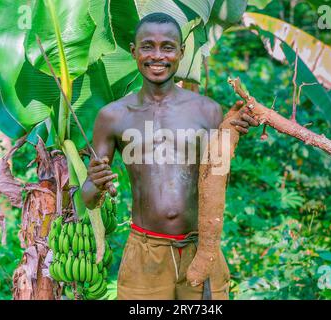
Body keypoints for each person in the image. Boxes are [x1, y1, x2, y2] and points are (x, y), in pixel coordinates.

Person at [81, 12, 258, 300]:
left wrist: (230, 136)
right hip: (145, 254)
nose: (157, 56)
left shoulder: (207, 110)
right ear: (133, 51)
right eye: (147, 46)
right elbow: (88, 198)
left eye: (167, 47)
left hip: (200, 250)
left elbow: (219, 180)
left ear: (181, 52)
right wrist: (95, 182)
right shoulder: (113, 116)